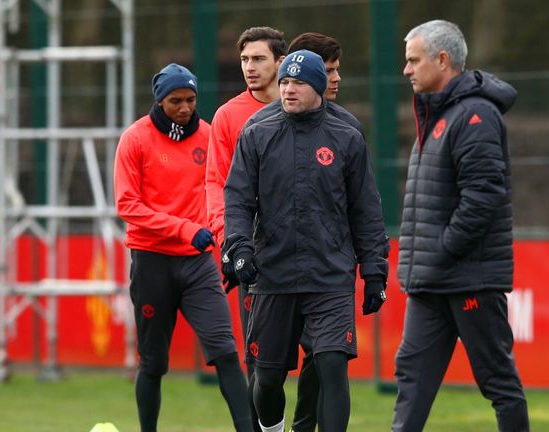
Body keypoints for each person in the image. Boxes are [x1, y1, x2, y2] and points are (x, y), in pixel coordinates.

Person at [223, 49, 389, 432]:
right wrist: (239, 247)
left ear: (317, 87)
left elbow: (365, 208)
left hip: (329, 275)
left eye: (298, 82)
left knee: (332, 365)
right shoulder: (257, 131)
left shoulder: (347, 133)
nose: (288, 90)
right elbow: (238, 198)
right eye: (284, 82)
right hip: (272, 275)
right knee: (266, 381)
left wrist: (375, 271)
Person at [392, 20, 530, 432]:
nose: (407, 70)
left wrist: (444, 248)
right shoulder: (437, 115)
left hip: (469, 278)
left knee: (497, 382)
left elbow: (484, 196)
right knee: (411, 378)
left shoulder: (475, 115)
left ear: (442, 60)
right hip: (431, 280)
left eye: (414, 60)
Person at [114, 63, 251, 432]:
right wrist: (184, 228)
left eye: (191, 99)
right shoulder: (136, 139)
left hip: (198, 264)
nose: (185, 108)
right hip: (152, 262)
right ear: (159, 100)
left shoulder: (209, 136)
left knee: (225, 353)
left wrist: (225, 247)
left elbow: (224, 191)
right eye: (176, 100)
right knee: (153, 364)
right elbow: (127, 205)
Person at [204, 26, 287, 432]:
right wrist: (228, 241)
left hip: (310, 255)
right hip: (253, 253)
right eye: (244, 60)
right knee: (260, 360)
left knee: (323, 358)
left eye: (258, 59)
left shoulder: (304, 106)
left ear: (281, 62)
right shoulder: (228, 116)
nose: (249, 68)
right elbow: (216, 184)